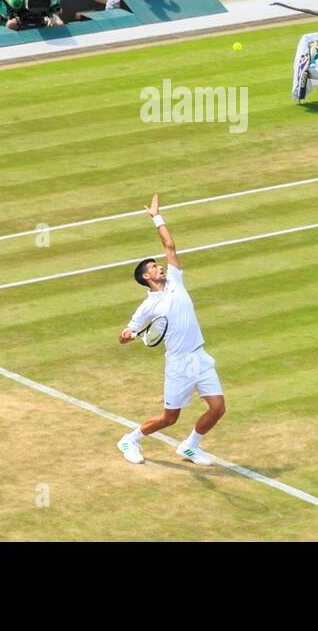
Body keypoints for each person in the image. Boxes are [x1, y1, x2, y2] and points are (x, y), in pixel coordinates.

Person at [116, 194, 225, 468]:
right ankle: (130, 439)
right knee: (169, 418)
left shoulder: (175, 280)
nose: (160, 266)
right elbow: (126, 334)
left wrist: (156, 217)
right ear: (146, 277)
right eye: (154, 267)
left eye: (158, 264)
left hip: (199, 356)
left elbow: (170, 245)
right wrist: (127, 336)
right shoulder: (146, 307)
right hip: (177, 363)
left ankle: (190, 445)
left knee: (218, 407)